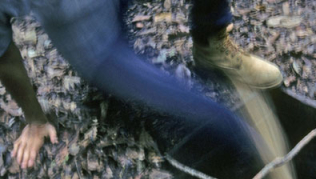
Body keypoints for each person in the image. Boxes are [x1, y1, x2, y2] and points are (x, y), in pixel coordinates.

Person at [0, 0, 282, 169]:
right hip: (88, 33)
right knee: (218, 122)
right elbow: (3, 57)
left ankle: (211, 42)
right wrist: (36, 119)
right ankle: (246, 145)